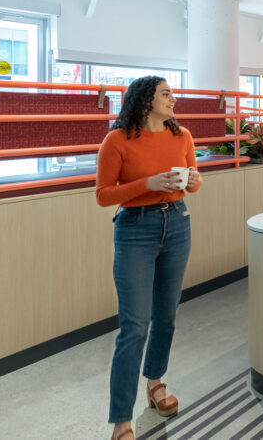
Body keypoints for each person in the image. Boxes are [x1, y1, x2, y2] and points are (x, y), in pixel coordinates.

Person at [96, 76, 202, 440]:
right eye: (166, 93)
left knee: (167, 315)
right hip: (135, 229)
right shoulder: (118, 140)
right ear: (145, 100)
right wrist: (148, 184)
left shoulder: (182, 135)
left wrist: (191, 180)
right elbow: (104, 195)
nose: (174, 99)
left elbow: (195, 180)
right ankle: (121, 420)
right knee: (134, 326)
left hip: (177, 223)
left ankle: (155, 383)